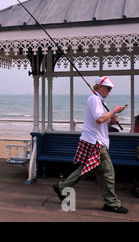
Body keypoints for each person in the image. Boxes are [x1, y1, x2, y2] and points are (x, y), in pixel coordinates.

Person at [53, 77, 128, 214]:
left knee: (87, 169)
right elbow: (98, 119)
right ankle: (112, 203)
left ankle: (62, 187)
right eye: (107, 88)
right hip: (96, 143)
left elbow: (101, 121)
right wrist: (114, 111)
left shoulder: (99, 101)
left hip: (95, 140)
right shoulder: (94, 99)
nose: (109, 91)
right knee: (108, 173)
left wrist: (112, 120)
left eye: (110, 89)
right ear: (99, 87)